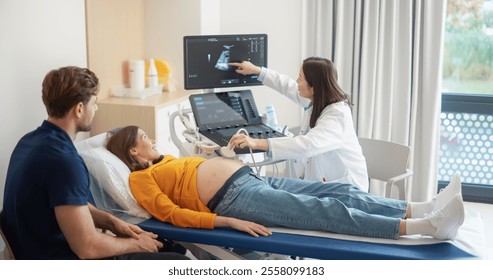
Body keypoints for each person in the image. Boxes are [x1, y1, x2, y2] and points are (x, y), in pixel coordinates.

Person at [106, 125, 465, 241]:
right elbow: (171, 215)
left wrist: (224, 154)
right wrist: (226, 221)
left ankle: (421, 206)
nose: (150, 137)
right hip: (232, 202)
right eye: (143, 137)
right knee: (326, 210)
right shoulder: (141, 178)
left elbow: (195, 174)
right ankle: (427, 227)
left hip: (249, 180)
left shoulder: (165, 160)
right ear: (132, 153)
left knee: (341, 190)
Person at [1, 66, 188, 260]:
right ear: (79, 109)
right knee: (179, 263)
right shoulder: (65, 162)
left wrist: (112, 223)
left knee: (168, 248)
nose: (96, 108)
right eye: (94, 103)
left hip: (32, 251)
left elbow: (67, 202)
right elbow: (88, 247)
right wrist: (136, 244)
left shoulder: (29, 142)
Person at [228, 58, 369, 191]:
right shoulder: (317, 99)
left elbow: (308, 144)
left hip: (347, 189)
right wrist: (257, 70)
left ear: (313, 87)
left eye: (300, 78)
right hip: (322, 184)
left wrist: (258, 143)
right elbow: (286, 85)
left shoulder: (337, 115)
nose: (296, 82)